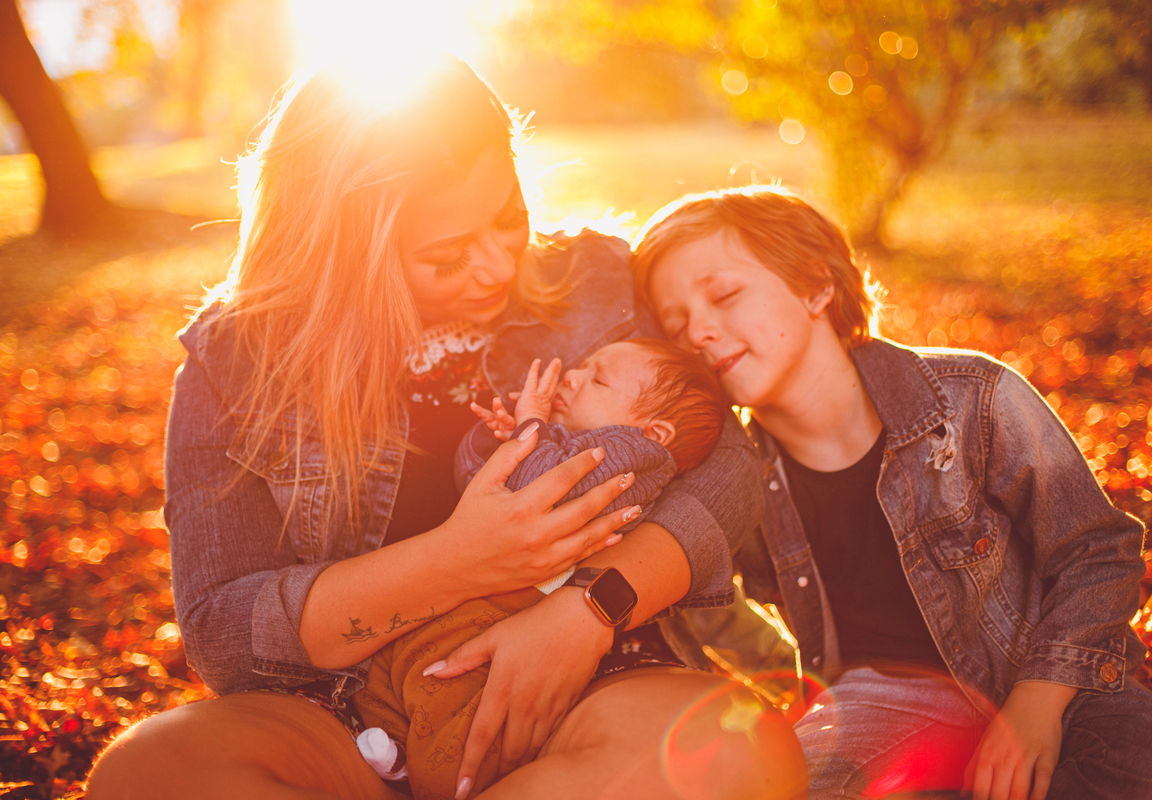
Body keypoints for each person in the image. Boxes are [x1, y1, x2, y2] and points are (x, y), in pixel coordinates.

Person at [85, 56, 807, 800]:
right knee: (148, 776)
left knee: (740, 756)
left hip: (591, 677)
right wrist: (460, 561)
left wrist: (588, 609)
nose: (497, 266)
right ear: (346, 252)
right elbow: (223, 631)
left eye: (508, 218)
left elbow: (726, 465)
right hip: (349, 708)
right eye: (447, 256)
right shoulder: (236, 361)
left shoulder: (595, 283)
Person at [632, 185, 1152, 800]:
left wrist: (1038, 701)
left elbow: (1097, 550)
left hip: (1040, 665)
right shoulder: (734, 479)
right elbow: (698, 599)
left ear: (816, 286)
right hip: (875, 701)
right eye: (676, 325)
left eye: (724, 295)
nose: (699, 332)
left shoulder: (972, 397)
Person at [355, 342, 728, 797]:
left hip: (523, 601)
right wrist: (500, 443)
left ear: (656, 431)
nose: (572, 375)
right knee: (392, 669)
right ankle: (400, 752)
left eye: (598, 379)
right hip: (487, 586)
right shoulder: (573, 442)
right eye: (582, 366)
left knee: (461, 687)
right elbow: (479, 487)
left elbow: (543, 487)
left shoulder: (633, 456)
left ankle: (447, 780)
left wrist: (532, 424)